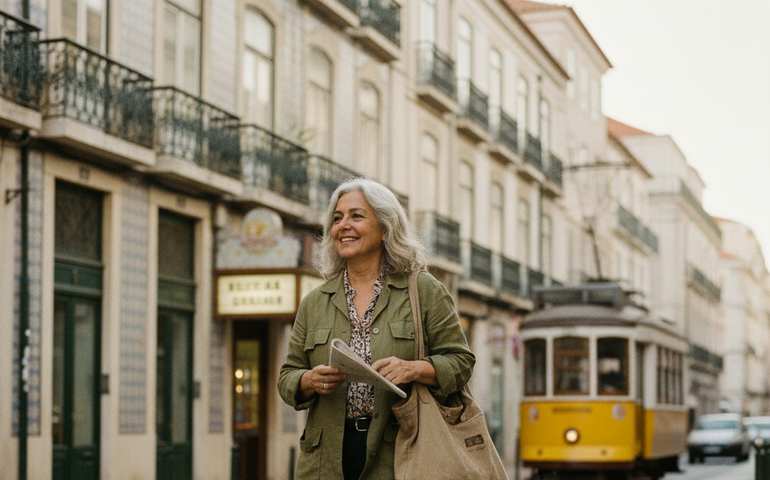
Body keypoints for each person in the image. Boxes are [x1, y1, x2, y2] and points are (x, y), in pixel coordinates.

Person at [278, 178, 475, 480]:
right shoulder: (314, 302)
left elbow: (461, 362)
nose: (343, 225)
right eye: (337, 218)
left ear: (385, 229)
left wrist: (413, 369)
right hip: (325, 461)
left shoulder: (423, 290)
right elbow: (287, 377)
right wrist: (308, 380)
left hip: (400, 452)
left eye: (356, 216)